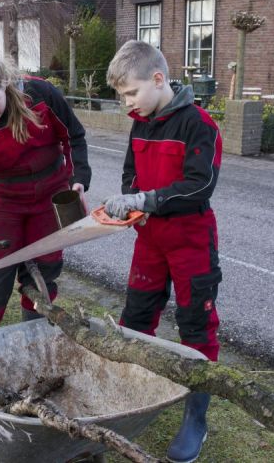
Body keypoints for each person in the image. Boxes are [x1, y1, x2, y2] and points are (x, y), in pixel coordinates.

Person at [102, 40, 222, 463]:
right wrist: (126, 200)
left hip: (191, 242)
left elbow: (199, 186)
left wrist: (144, 200)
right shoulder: (141, 122)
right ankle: (130, 393)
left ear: (158, 79)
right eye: (122, 97)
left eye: (131, 94)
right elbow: (131, 173)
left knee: (196, 325)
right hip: (149, 241)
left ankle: (196, 417)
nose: (127, 104)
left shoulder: (199, 125)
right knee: (135, 317)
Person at [0, 45, 91, 333]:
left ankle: (35, 340)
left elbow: (73, 136)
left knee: (43, 272)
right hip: (1, 204)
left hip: (49, 197)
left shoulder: (42, 95)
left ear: (5, 83)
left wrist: (79, 177)